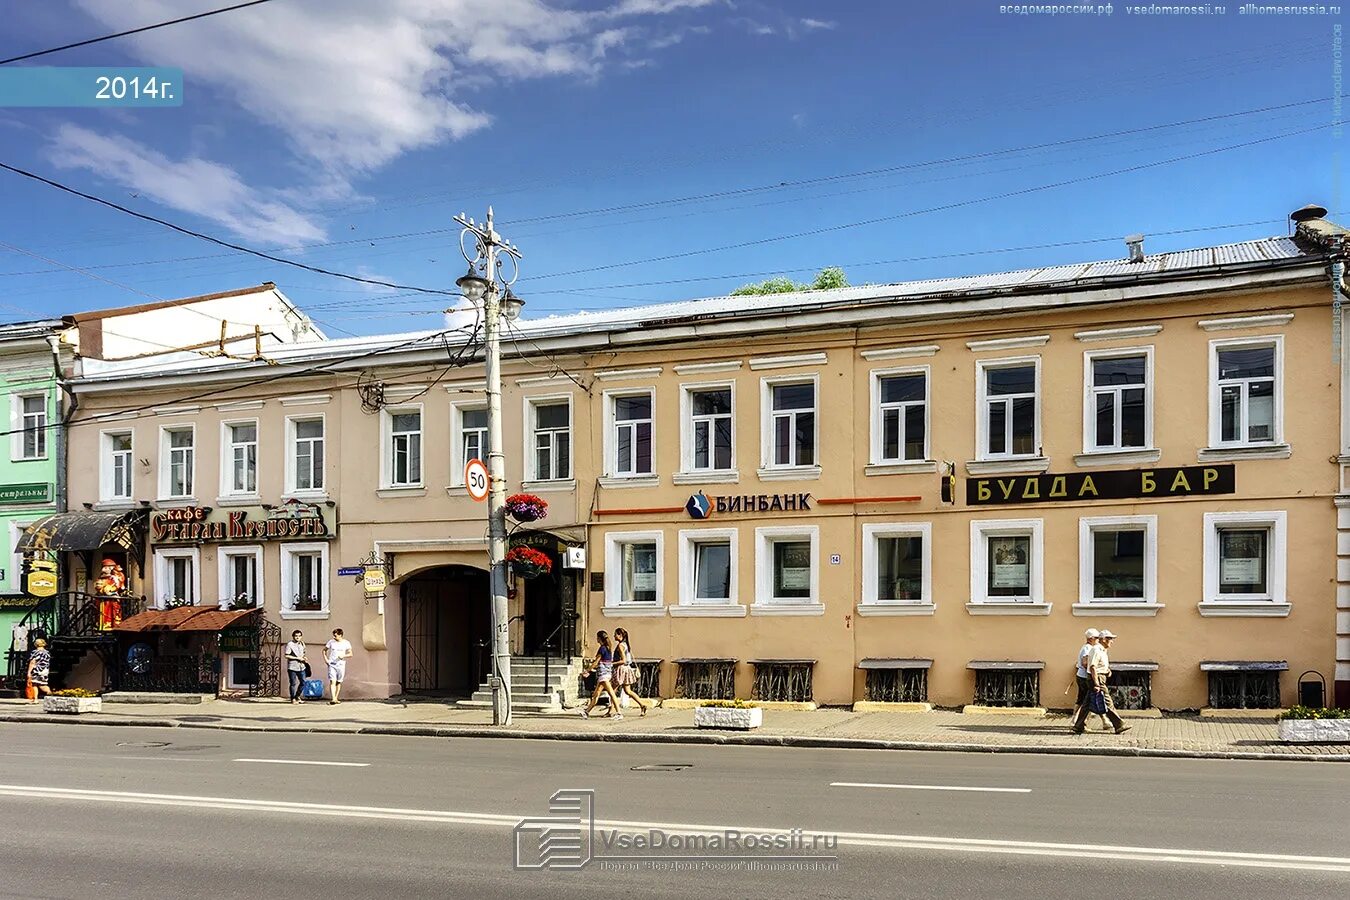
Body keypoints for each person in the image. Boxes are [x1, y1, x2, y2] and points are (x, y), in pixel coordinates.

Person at [1072, 629, 1132, 735]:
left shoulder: (1102, 650)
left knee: (1086, 704)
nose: (1112, 641)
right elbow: (1093, 667)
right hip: (1097, 678)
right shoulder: (1096, 650)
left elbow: (1099, 665)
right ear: (1103, 639)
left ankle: (1078, 726)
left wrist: (1107, 671)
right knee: (1107, 702)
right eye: (1110, 639)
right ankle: (1119, 725)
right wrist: (1096, 684)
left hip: (1099, 677)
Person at [579, 630, 622, 719]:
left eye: (597, 638)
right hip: (606, 673)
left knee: (611, 693)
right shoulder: (608, 647)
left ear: (599, 638)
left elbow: (596, 662)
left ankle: (619, 713)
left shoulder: (602, 648)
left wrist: (587, 670)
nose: (596, 639)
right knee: (596, 694)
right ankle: (586, 712)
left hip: (603, 675)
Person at [611, 627, 649, 717]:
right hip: (626, 669)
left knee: (612, 691)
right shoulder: (625, 645)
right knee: (628, 691)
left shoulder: (620, 646)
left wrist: (612, 663)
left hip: (621, 669)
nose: (614, 636)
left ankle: (611, 710)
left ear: (620, 635)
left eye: (615, 634)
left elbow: (623, 660)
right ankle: (642, 705)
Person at [1070, 628, 1099, 726]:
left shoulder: (1085, 647)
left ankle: (1075, 719)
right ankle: (1080, 720)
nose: (1098, 640)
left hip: (1081, 675)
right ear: (1091, 638)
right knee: (1087, 699)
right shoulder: (1088, 648)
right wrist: (1094, 669)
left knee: (1081, 698)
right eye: (1096, 638)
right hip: (1084, 677)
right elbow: (1085, 662)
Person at [324, 628, 353, 705]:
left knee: (338, 681)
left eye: (336, 636)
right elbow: (324, 650)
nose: (334, 637)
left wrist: (344, 655)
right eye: (333, 635)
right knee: (332, 681)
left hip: (341, 664)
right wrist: (326, 659)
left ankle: (336, 697)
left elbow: (350, 654)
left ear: (340, 635)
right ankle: (333, 698)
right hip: (332, 664)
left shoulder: (346, 643)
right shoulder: (331, 642)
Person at [284, 630, 308, 704]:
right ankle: (292, 698)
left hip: (301, 666)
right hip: (292, 667)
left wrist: (304, 658)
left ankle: (297, 696)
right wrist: (297, 658)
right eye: (296, 636)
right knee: (293, 683)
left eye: (299, 636)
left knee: (303, 682)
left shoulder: (302, 644)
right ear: (293, 636)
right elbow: (286, 655)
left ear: (301, 636)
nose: (297, 637)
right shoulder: (290, 644)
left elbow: (303, 653)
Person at [26, 637, 51, 703]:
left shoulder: (35, 652)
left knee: (35, 684)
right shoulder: (47, 652)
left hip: (37, 670)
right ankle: (49, 692)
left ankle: (36, 699)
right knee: (43, 684)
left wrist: (29, 672)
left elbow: (32, 662)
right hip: (45, 670)